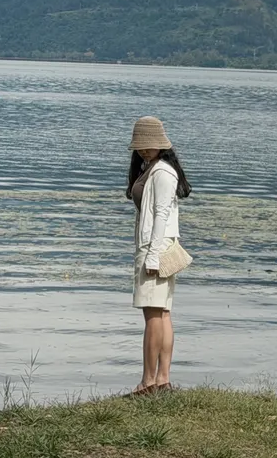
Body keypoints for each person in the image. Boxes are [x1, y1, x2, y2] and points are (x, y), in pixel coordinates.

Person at [126, 115, 191, 395]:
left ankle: (148, 382)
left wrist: (152, 256)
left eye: (148, 145)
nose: (143, 150)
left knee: (154, 315)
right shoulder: (150, 168)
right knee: (162, 313)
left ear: (161, 144)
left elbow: (162, 214)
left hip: (156, 248)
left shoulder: (162, 172)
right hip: (156, 246)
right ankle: (161, 380)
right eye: (140, 145)